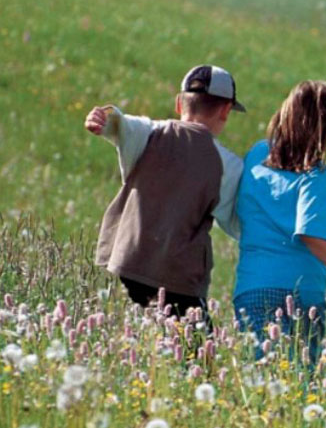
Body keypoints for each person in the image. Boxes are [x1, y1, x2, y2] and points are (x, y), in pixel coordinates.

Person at [84, 64, 245, 322]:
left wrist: (102, 119)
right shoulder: (227, 165)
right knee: (198, 355)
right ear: (226, 110)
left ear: (179, 104)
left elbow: (121, 123)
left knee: (130, 340)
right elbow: (240, 222)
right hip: (178, 279)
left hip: (126, 262)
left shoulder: (151, 132)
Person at [232, 80, 326, 368]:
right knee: (300, 381)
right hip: (301, 292)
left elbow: (262, 208)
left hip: (253, 286)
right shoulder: (315, 172)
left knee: (258, 379)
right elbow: (310, 235)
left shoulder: (257, 155)